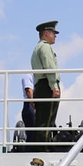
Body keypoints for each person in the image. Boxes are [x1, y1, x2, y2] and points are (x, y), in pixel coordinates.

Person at [30, 20, 61, 149]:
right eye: (53, 33)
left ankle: (40, 147)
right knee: (47, 121)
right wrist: (54, 86)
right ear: (46, 33)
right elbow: (50, 68)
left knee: (41, 120)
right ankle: (44, 149)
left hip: (40, 86)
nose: (55, 36)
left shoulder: (37, 48)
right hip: (47, 86)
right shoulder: (45, 47)